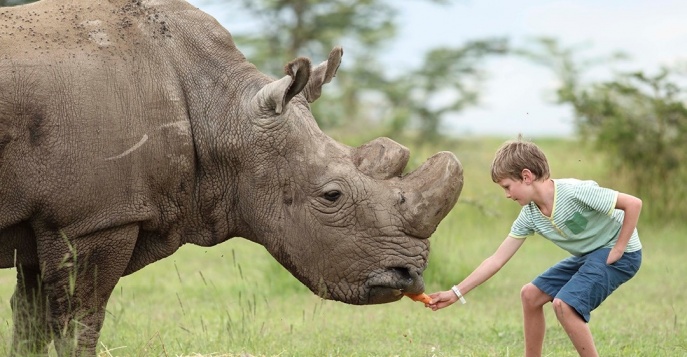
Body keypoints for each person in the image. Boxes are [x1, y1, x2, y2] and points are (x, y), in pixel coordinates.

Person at [426, 135, 642, 357]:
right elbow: (496, 260)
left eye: (508, 186)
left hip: (622, 254)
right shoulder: (529, 215)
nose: (507, 195)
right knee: (530, 295)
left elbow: (633, 204)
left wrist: (619, 248)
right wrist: (455, 292)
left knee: (563, 305)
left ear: (526, 176)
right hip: (590, 255)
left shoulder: (573, 192)